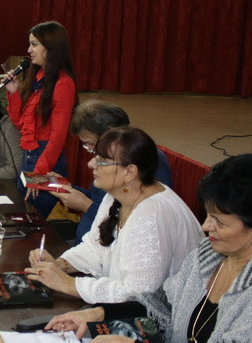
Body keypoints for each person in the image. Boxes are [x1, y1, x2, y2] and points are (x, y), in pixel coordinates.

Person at [46, 153, 252, 343]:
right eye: (208, 215)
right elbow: (162, 304)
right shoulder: (210, 254)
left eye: (219, 222)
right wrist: (98, 314)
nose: (206, 227)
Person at [26, 126, 201, 303]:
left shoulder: (152, 216)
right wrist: (59, 265)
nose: (91, 164)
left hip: (158, 312)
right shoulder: (117, 194)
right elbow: (95, 247)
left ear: (130, 172)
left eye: (101, 161)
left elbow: (139, 294)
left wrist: (68, 284)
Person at [52, 99, 173, 242]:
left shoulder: (147, 158)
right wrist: (66, 188)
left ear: (110, 133)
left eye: (91, 144)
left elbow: (136, 223)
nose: (91, 155)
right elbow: (97, 197)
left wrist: (86, 206)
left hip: (109, 246)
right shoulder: (108, 157)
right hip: (88, 241)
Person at [3, 21, 77, 217]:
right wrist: (13, 93)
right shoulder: (38, 80)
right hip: (29, 158)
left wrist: (39, 173)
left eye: (34, 44)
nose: (29, 50)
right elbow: (21, 124)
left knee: (31, 218)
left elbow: (58, 137)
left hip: (45, 161)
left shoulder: (63, 83)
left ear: (51, 47)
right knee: (20, 216)